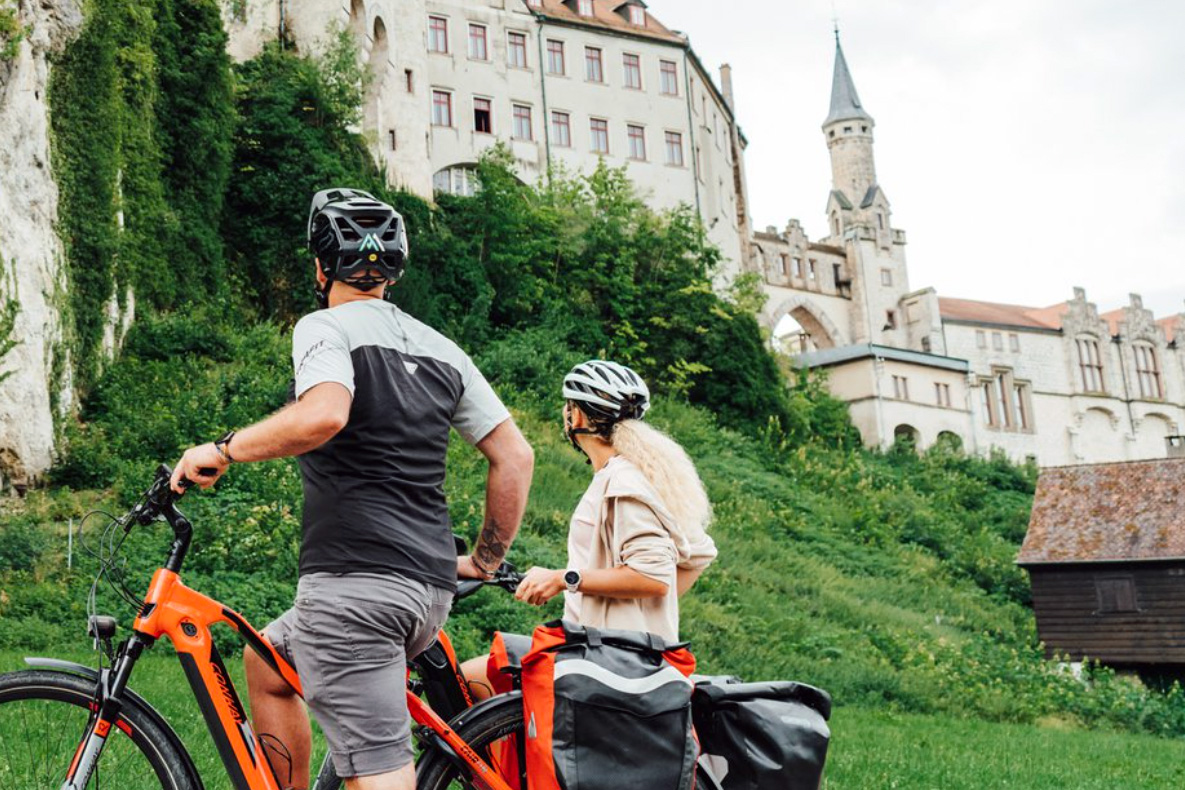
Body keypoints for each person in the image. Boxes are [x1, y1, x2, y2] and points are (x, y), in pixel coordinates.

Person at [171, 188, 535, 790]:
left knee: (382, 779)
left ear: (319, 267)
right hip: (425, 589)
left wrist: (223, 449)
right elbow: (515, 457)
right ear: (393, 271)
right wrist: (483, 560)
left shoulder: (324, 326)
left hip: (355, 593)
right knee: (267, 664)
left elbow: (324, 415)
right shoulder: (443, 348)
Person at [463, 360, 715, 699]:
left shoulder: (623, 482)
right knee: (484, 680)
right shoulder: (633, 475)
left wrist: (562, 578)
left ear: (577, 416)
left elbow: (654, 578)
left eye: (567, 407)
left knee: (471, 679)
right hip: (607, 652)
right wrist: (638, 612)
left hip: (608, 662)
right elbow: (698, 555)